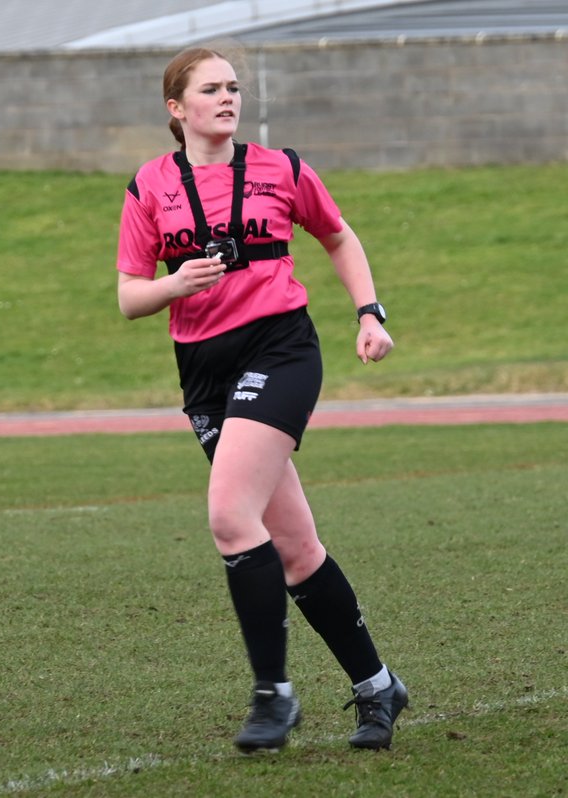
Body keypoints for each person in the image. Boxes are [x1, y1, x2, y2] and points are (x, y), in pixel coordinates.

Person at [115, 48, 407, 752]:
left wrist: (369, 313)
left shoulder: (283, 168)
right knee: (297, 550)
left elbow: (338, 235)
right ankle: (378, 687)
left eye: (233, 87)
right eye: (210, 89)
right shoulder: (150, 184)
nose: (227, 98)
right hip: (203, 369)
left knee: (228, 514)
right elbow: (129, 297)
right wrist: (176, 284)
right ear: (176, 108)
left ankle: (273, 695)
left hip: (280, 350)